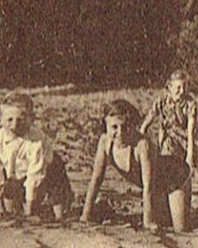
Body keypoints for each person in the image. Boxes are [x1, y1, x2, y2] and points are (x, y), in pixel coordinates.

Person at [81, 98, 191, 231]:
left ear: (134, 127)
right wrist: (85, 215)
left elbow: (148, 186)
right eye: (114, 127)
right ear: (106, 126)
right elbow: (96, 179)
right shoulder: (105, 142)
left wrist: (147, 222)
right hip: (157, 186)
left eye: (126, 127)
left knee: (180, 229)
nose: (120, 133)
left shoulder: (142, 146)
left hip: (175, 177)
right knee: (164, 222)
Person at [0, 92, 73, 220]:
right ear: (1, 119)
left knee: (55, 184)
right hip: (14, 172)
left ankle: (59, 215)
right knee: (10, 208)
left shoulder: (36, 140)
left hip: (45, 167)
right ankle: (16, 205)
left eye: (20, 119)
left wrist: (29, 211)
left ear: (31, 119)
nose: (15, 125)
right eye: (9, 120)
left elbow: (35, 174)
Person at [142, 69, 198, 229]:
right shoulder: (163, 100)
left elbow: (190, 130)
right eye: (178, 88)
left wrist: (190, 153)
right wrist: (141, 133)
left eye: (185, 87)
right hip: (169, 141)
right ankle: (168, 212)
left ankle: (183, 211)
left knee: (185, 176)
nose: (182, 92)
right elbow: (150, 117)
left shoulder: (190, 104)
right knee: (168, 172)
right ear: (169, 87)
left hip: (186, 142)